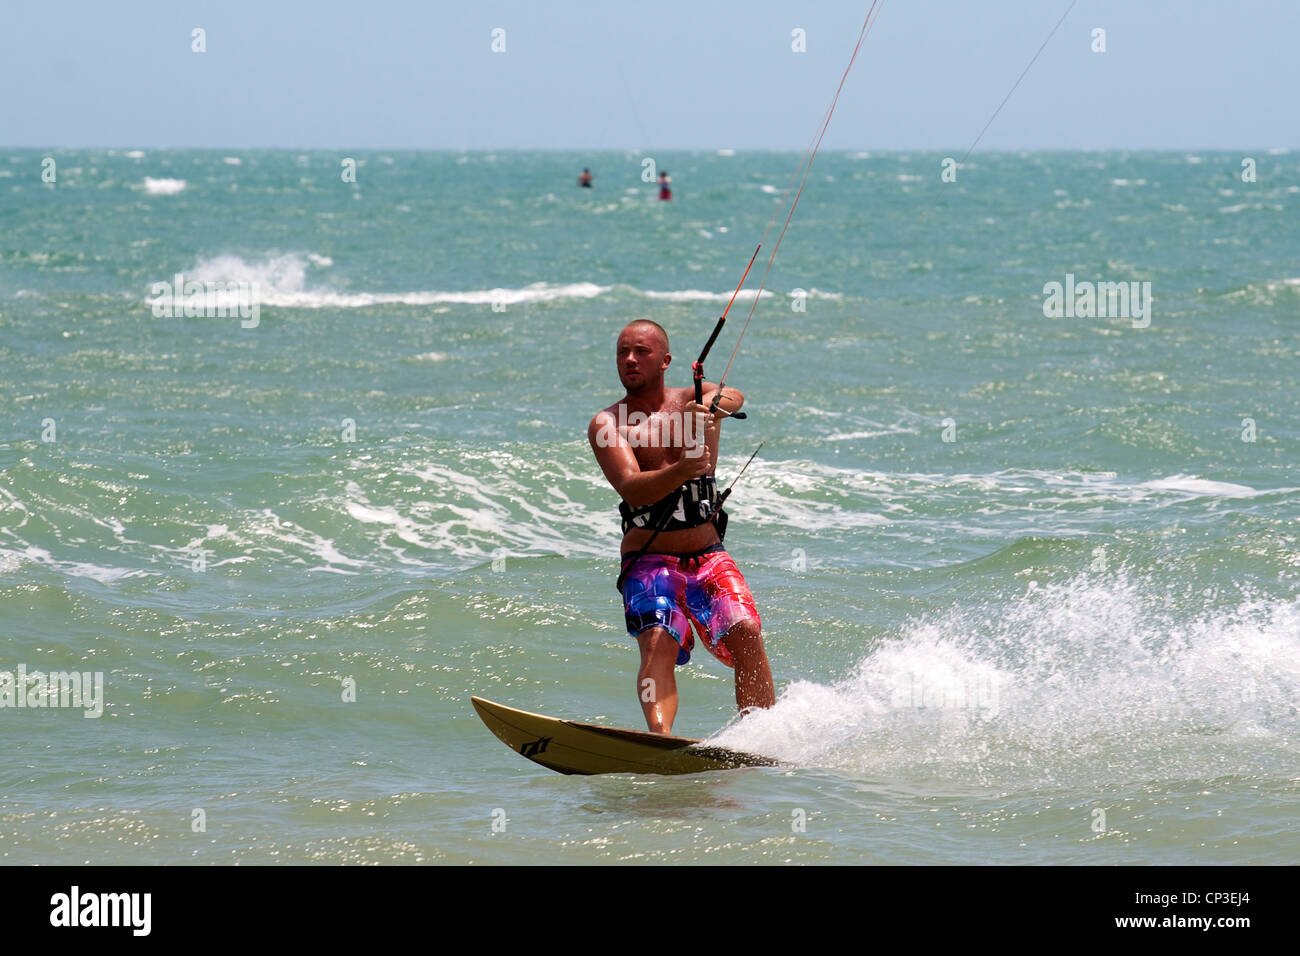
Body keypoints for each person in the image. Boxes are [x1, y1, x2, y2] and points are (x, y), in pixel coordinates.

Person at [588, 319, 774, 734]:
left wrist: (713, 406)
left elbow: (734, 393)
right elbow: (633, 490)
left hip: (708, 554)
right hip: (648, 558)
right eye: (622, 352)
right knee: (658, 639)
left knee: (745, 631)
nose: (630, 360)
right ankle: (660, 740)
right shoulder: (607, 424)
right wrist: (683, 469)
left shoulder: (692, 399)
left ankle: (763, 736)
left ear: (666, 360)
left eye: (641, 351)